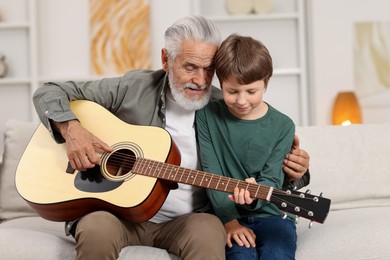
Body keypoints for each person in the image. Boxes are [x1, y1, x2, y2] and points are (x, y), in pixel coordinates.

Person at [32, 16, 309, 260]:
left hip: (189, 220)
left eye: (209, 70)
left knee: (208, 235)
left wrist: (296, 173)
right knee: (95, 231)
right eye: (190, 67)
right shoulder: (132, 88)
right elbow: (50, 91)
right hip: (117, 213)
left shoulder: (224, 105)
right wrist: (72, 130)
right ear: (166, 59)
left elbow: (253, 162)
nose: (201, 81)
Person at [196, 34, 300, 260]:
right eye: (232, 91)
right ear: (220, 83)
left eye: (251, 92)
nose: (242, 101)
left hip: (273, 214)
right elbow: (211, 174)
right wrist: (230, 223)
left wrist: (254, 196)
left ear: (266, 83)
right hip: (228, 216)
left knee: (277, 254)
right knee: (240, 256)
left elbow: (272, 180)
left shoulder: (283, 125)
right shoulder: (206, 116)